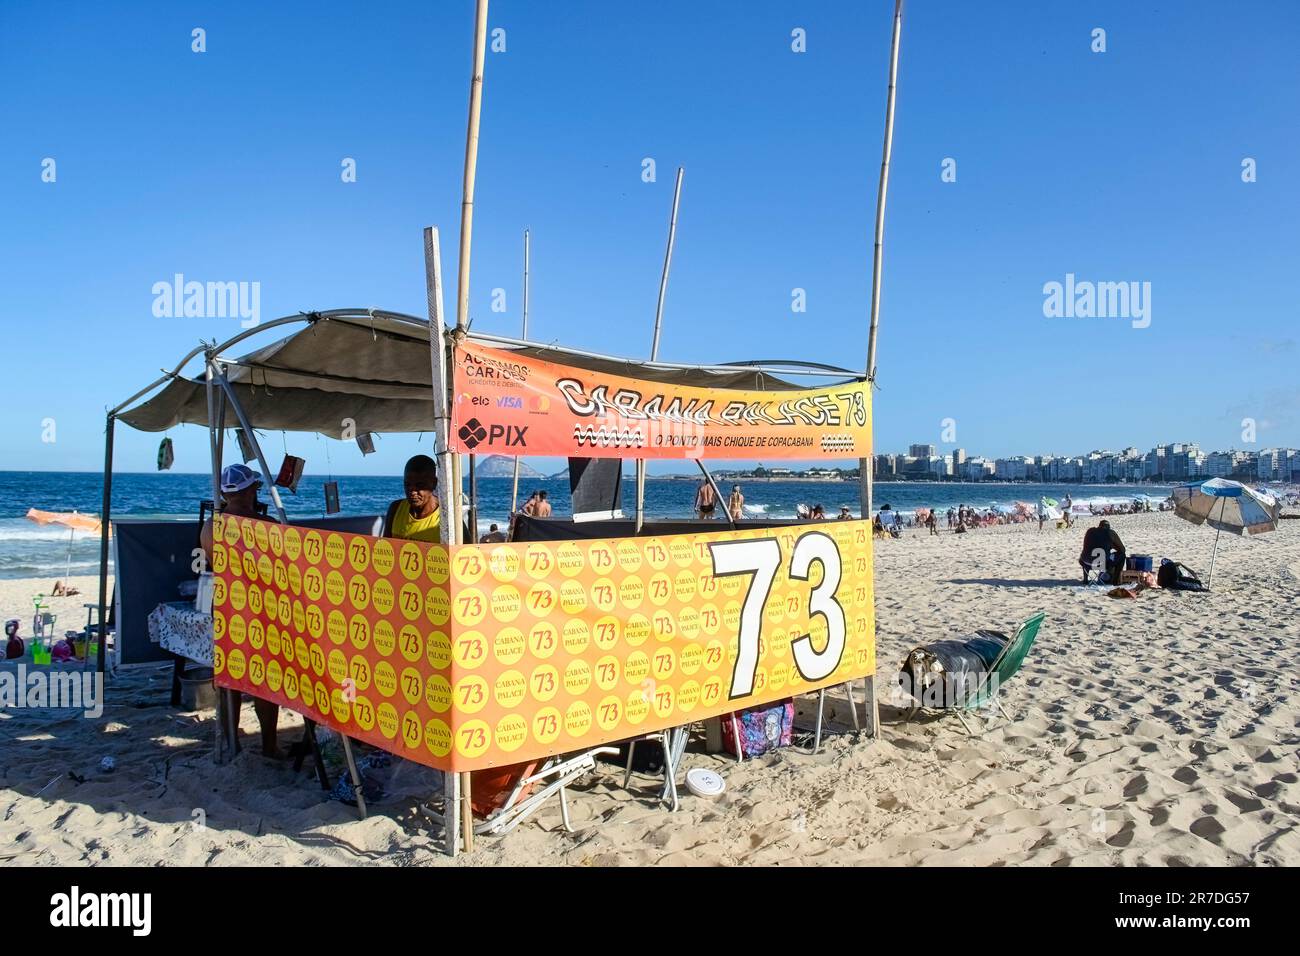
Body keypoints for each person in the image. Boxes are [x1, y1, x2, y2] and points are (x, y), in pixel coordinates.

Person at [199, 464, 282, 757]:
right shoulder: (267, 525)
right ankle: (269, 745)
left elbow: (214, 562)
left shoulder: (211, 526)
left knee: (229, 678)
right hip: (259, 608)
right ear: (250, 490)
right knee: (266, 681)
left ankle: (231, 740)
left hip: (225, 605)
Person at [382, 455, 442, 542]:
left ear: (434, 483)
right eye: (407, 485)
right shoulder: (395, 509)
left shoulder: (446, 516)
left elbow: (465, 551)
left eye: (419, 485)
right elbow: (385, 546)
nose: (412, 492)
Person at [1079, 519, 1126, 584]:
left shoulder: (1090, 531)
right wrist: (1112, 546)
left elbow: (1087, 545)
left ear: (1099, 526)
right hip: (1101, 564)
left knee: (1088, 554)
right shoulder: (1110, 533)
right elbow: (1122, 549)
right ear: (1108, 527)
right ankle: (1116, 581)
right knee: (1122, 555)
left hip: (1085, 563)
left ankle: (1085, 579)